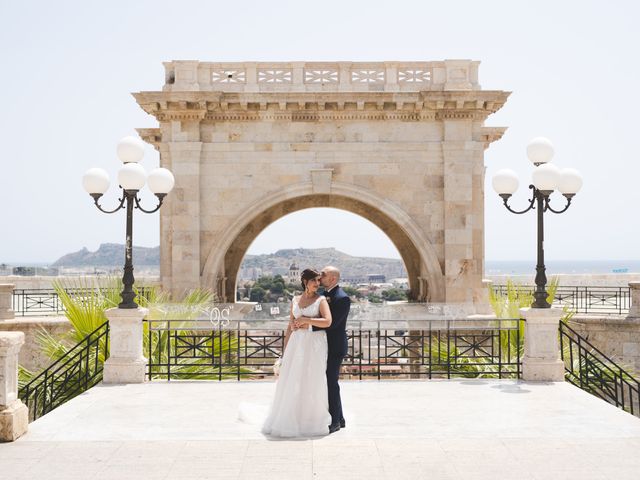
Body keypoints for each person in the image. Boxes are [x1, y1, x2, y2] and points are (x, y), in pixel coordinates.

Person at [261, 268, 332, 437]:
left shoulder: (321, 300)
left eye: (318, 281)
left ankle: (311, 419)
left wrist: (307, 320)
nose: (317, 284)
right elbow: (290, 326)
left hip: (314, 344)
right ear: (305, 282)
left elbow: (328, 321)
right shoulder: (294, 299)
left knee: (312, 378)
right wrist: (285, 351)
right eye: (314, 280)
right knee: (292, 378)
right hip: (296, 344)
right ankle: (291, 416)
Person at [314, 266, 351, 433]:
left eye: (323, 275)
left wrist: (306, 326)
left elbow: (332, 324)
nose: (320, 277)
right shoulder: (322, 296)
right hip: (323, 346)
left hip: (335, 347)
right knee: (329, 382)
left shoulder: (342, 298)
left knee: (331, 382)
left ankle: (335, 421)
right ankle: (341, 418)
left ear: (333, 279)